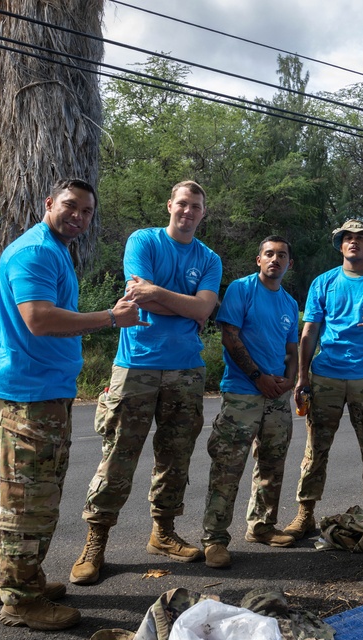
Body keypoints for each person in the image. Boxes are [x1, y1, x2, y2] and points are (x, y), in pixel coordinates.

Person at [0, 178, 145, 630]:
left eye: (87, 211)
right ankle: (22, 600)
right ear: (49, 203)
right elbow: (38, 318)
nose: (79, 216)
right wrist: (111, 317)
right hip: (32, 391)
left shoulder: (51, 248)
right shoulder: (36, 251)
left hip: (42, 388)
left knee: (24, 494)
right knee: (32, 500)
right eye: (71, 206)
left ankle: (8, 578)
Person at [70, 181, 221, 586]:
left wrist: (160, 293)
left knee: (176, 457)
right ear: (170, 204)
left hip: (186, 370)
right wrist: (183, 305)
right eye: (183, 204)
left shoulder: (209, 259)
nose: (188, 211)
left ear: (203, 213)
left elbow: (205, 306)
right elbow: (138, 300)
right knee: (118, 457)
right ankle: (95, 542)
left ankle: (163, 533)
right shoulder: (143, 241)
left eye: (196, 207)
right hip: (136, 365)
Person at [282, 219, 363, 541]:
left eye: (361, 239)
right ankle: (304, 514)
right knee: (316, 448)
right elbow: (309, 332)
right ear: (340, 245)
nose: (354, 243)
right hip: (326, 376)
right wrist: (302, 377)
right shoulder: (324, 283)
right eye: (348, 238)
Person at [201, 236, 299, 568]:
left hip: (277, 397)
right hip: (244, 392)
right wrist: (259, 377)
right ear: (259, 260)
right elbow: (230, 336)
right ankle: (214, 538)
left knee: (272, 465)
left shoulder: (288, 302)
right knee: (228, 466)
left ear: (289, 264)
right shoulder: (242, 290)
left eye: (281, 255)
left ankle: (262, 525)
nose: (275, 259)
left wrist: (290, 379)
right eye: (269, 254)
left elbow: (291, 349)